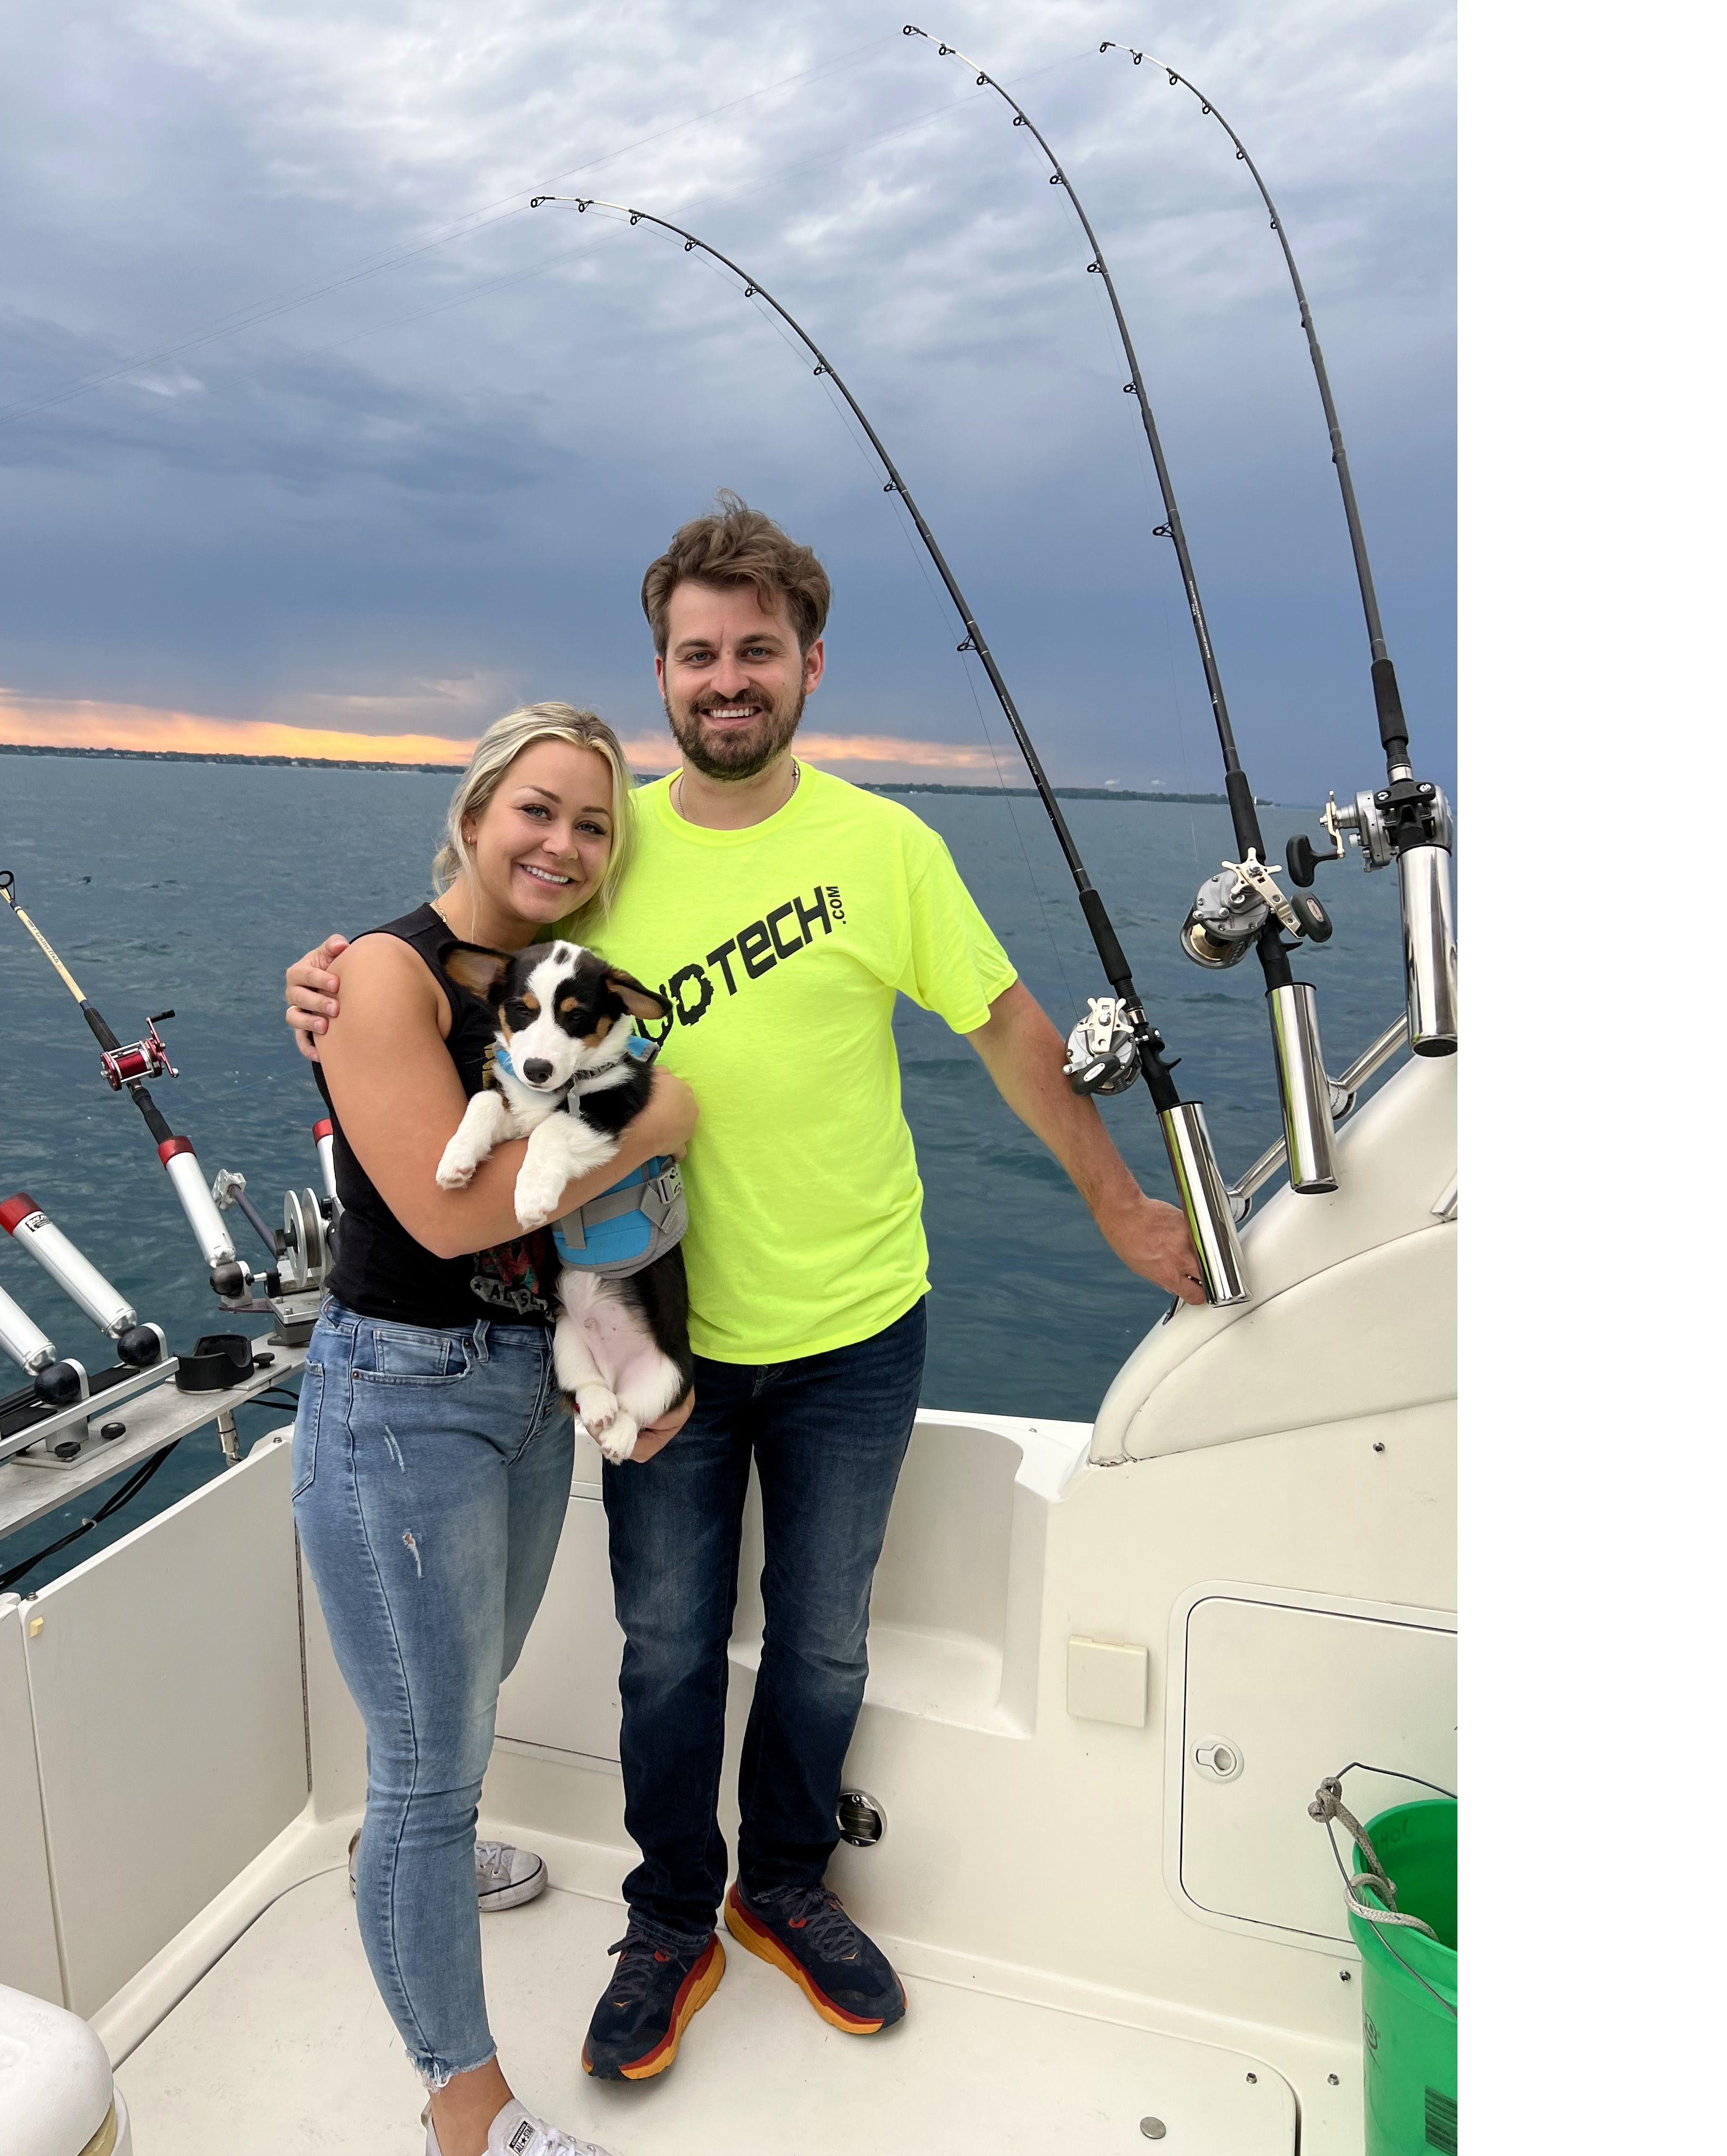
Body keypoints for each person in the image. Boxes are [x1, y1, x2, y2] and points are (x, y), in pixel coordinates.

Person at [286, 497, 1203, 2088]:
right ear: (662, 671)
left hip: (858, 1323)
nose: (728, 677)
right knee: (662, 1644)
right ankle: (670, 1911)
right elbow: (460, 950)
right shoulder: (608, 852)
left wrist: (1122, 1203)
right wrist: (328, 976)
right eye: (698, 652)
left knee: (827, 1641)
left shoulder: (886, 849)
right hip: (661, 1339)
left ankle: (786, 1885)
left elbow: (1004, 1030)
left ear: (808, 666)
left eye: (757, 651)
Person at [289, 701, 697, 2156]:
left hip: (523, 1387)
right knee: (428, 1764)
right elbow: (454, 1214)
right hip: (402, 1395)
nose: (564, 842)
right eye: (537, 808)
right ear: (473, 811)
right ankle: (468, 2111)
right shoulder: (383, 975)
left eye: (593, 823)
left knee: (467, 1696)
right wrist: (658, 1120)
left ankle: (413, 1857)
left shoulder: (527, 981)